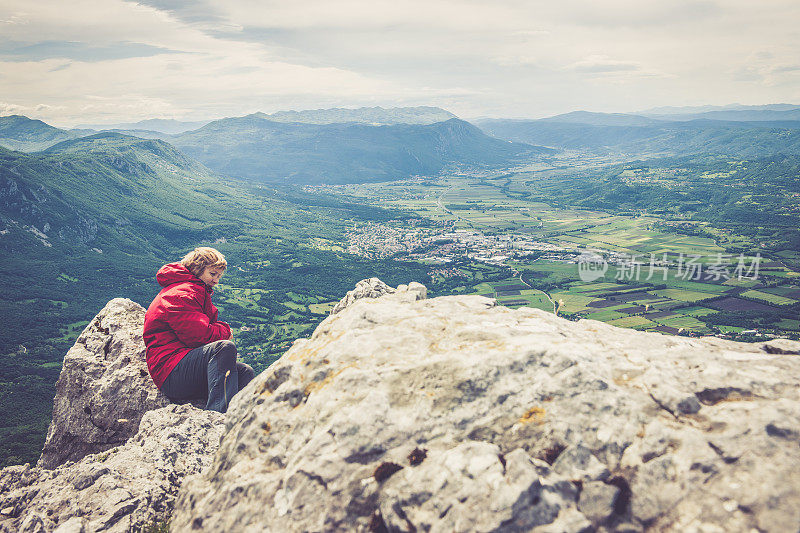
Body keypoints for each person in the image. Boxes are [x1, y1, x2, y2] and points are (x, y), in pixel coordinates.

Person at [143, 247, 254, 413]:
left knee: (245, 372)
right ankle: (218, 416)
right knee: (224, 348)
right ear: (197, 269)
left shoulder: (192, 290)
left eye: (219, 276)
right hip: (171, 373)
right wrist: (225, 331)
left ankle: (239, 418)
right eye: (212, 274)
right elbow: (199, 336)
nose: (216, 280)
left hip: (183, 364)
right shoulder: (181, 294)